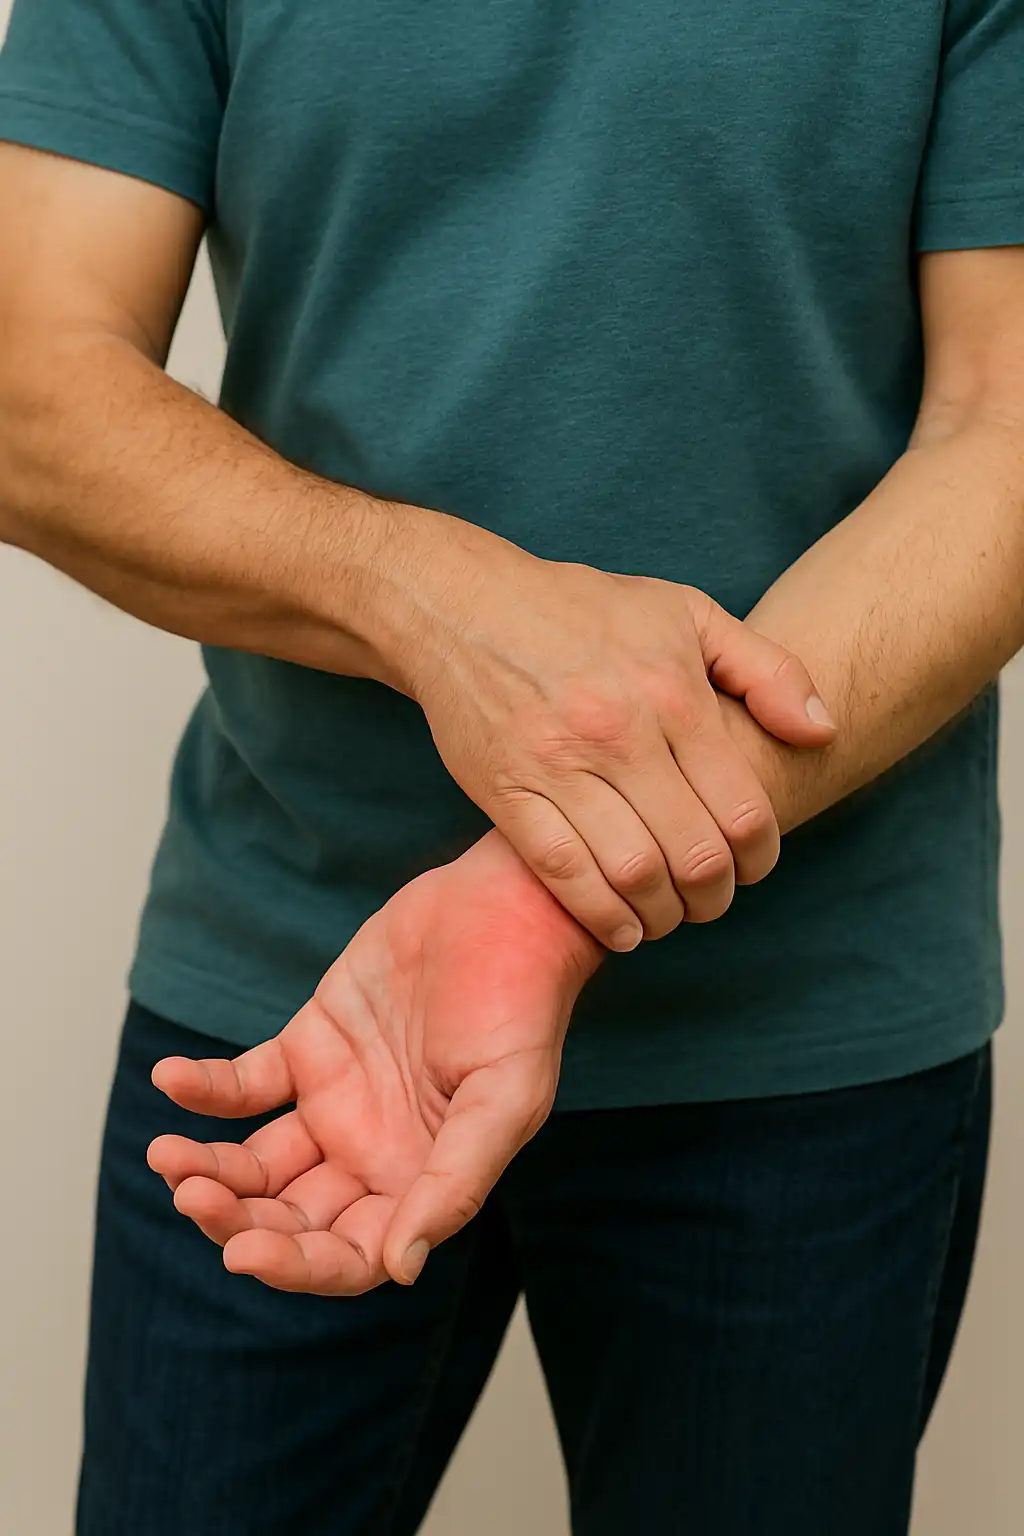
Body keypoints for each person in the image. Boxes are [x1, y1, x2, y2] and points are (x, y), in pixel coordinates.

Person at [0, 0, 1021, 1530]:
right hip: (291, 1015)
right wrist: (433, 602)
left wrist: (542, 900)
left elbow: (1003, 433)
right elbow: (28, 385)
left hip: (808, 1032)